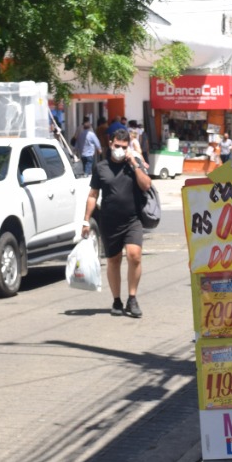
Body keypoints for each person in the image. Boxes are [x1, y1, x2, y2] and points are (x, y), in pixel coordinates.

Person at [82, 128, 152, 319]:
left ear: (128, 147)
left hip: (133, 220)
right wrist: (86, 220)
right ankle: (116, 300)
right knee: (113, 260)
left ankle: (132, 298)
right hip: (109, 222)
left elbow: (146, 185)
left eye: (123, 146)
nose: (119, 149)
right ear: (110, 144)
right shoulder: (101, 168)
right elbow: (93, 195)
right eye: (117, 146)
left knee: (134, 255)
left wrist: (134, 163)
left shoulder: (134, 164)